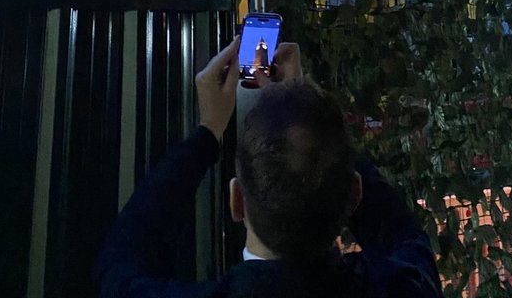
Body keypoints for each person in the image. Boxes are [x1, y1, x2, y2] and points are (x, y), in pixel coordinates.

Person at [96, 37, 443, 297]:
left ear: (237, 200)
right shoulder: (407, 287)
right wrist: (308, 112)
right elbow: (403, 233)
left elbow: (121, 257)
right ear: (355, 194)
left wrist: (208, 132)